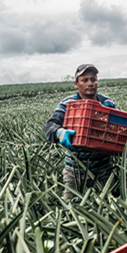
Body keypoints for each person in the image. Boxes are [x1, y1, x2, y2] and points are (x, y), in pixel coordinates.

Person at [44, 64, 118, 201]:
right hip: (74, 174)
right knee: (71, 211)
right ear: (76, 84)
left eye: (93, 79)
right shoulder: (68, 103)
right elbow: (50, 126)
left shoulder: (107, 103)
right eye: (84, 80)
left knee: (106, 213)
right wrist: (59, 132)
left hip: (103, 172)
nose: (90, 83)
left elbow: (119, 127)